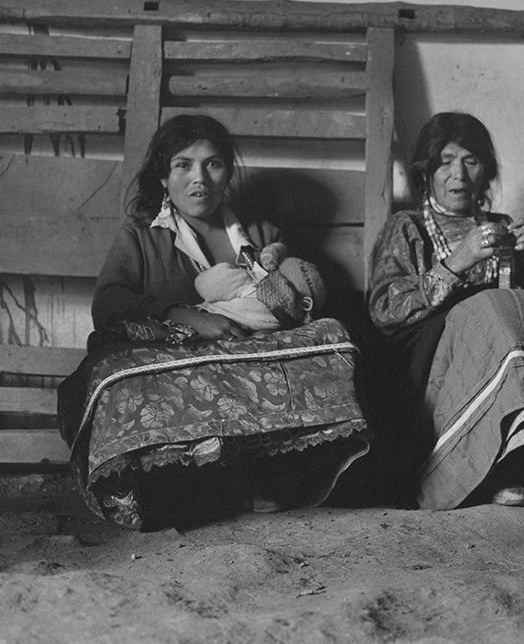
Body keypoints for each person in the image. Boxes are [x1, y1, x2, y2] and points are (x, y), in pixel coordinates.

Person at [60, 113, 369, 529]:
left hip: (248, 366)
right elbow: (109, 304)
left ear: (227, 175)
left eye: (213, 164)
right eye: (183, 165)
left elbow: (290, 301)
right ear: (163, 178)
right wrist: (181, 315)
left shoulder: (260, 233)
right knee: (115, 374)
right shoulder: (139, 236)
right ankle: (189, 481)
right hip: (177, 360)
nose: (199, 178)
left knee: (334, 336)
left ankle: (261, 473)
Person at [367, 112, 524, 509]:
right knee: (491, 312)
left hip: (505, 340)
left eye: (471, 161)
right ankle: (499, 470)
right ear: (427, 172)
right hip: (439, 355)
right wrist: (458, 260)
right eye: (446, 161)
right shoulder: (407, 227)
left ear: (485, 170)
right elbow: (384, 312)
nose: (459, 174)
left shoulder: (503, 226)